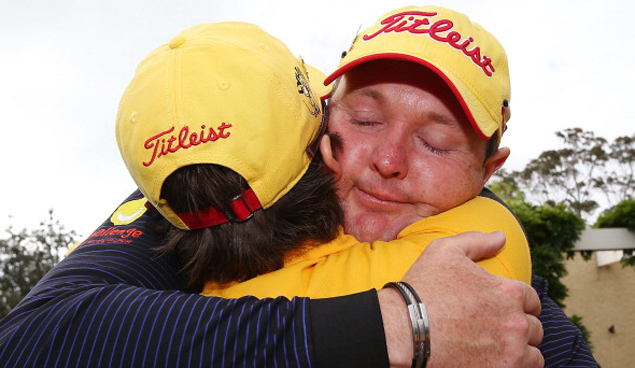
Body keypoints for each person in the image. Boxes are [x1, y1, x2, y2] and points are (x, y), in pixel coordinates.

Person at [0, 7, 589, 368]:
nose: (388, 160)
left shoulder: (508, 306)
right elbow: (32, 341)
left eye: (435, 143)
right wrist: (398, 324)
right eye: (364, 120)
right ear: (320, 116)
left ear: (489, 171)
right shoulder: (228, 191)